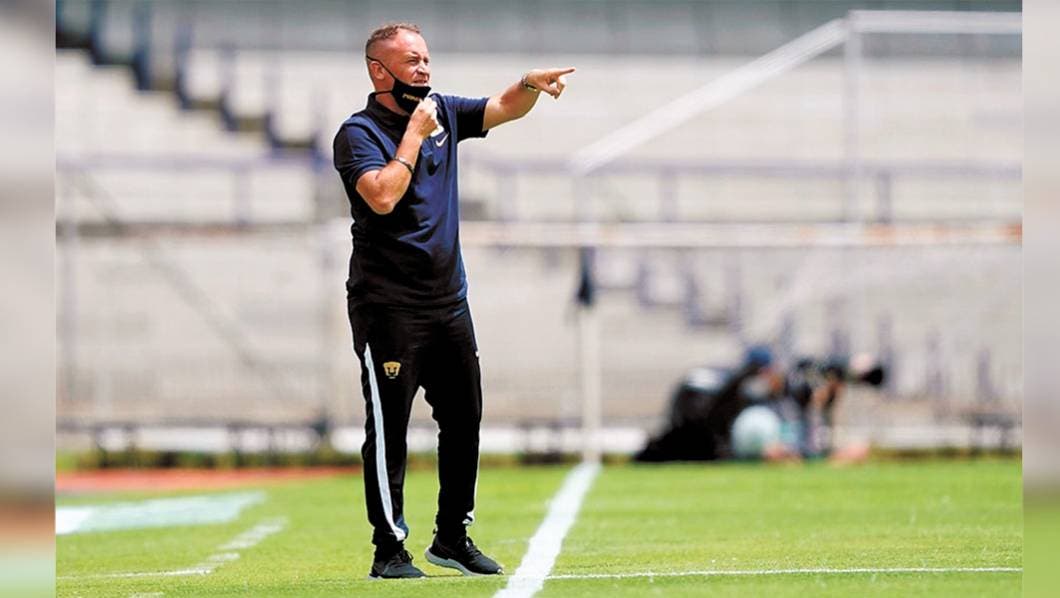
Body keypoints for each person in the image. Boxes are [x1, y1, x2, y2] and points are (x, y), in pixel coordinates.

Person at [332, 22, 575, 580]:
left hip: (448, 303)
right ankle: (389, 549)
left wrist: (529, 85)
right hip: (388, 308)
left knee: (464, 419)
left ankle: (452, 537)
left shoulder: (442, 109)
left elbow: (501, 108)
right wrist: (414, 135)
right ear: (379, 69)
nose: (424, 68)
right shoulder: (359, 132)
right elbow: (385, 196)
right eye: (411, 60)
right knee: (390, 429)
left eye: (426, 58)